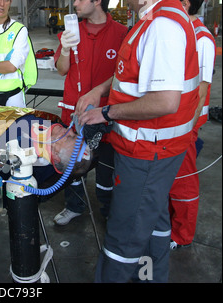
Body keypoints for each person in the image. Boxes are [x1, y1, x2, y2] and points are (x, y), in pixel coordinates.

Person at [77, 0, 199, 282]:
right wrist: (100, 89)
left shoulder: (161, 26)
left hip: (147, 152)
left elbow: (164, 101)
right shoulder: (155, 18)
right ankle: (151, 277)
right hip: (157, 151)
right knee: (152, 221)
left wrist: (105, 112)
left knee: (124, 240)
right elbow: (132, 72)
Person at [52, 0, 127, 225]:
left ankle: (108, 211)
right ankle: (74, 206)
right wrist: (65, 48)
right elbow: (62, 69)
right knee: (73, 165)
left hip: (106, 115)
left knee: (106, 169)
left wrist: (99, 92)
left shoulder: (122, 34)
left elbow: (126, 75)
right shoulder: (73, 32)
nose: (75, 3)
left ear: (97, 2)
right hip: (74, 114)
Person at [168, 0, 216, 251]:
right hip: (175, 120)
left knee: (183, 180)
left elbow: (202, 88)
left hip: (188, 122)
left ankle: (182, 234)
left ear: (185, 4)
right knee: (171, 177)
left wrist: (186, 128)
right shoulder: (181, 31)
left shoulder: (202, 38)